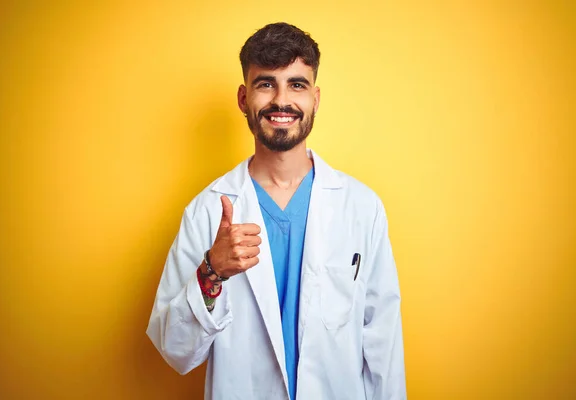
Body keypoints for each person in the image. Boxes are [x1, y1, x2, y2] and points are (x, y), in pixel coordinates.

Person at [146, 22, 406, 400]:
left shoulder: (361, 207)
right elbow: (176, 351)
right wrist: (211, 271)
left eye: (296, 84)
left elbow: (384, 346)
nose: (281, 100)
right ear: (242, 98)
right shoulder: (207, 211)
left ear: (315, 98)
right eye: (266, 83)